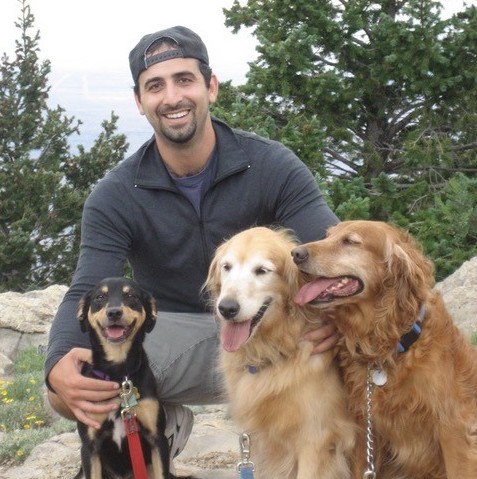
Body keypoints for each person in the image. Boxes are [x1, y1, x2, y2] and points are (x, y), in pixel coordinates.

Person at [45, 25, 340, 462]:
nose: (172, 97)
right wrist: (56, 369)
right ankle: (152, 438)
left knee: (364, 342)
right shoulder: (116, 193)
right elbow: (87, 285)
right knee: (85, 374)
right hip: (176, 337)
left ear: (211, 87)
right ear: (139, 101)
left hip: (274, 335)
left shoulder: (270, 165)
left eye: (185, 80)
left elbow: (332, 253)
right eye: (155, 86)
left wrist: (341, 317)